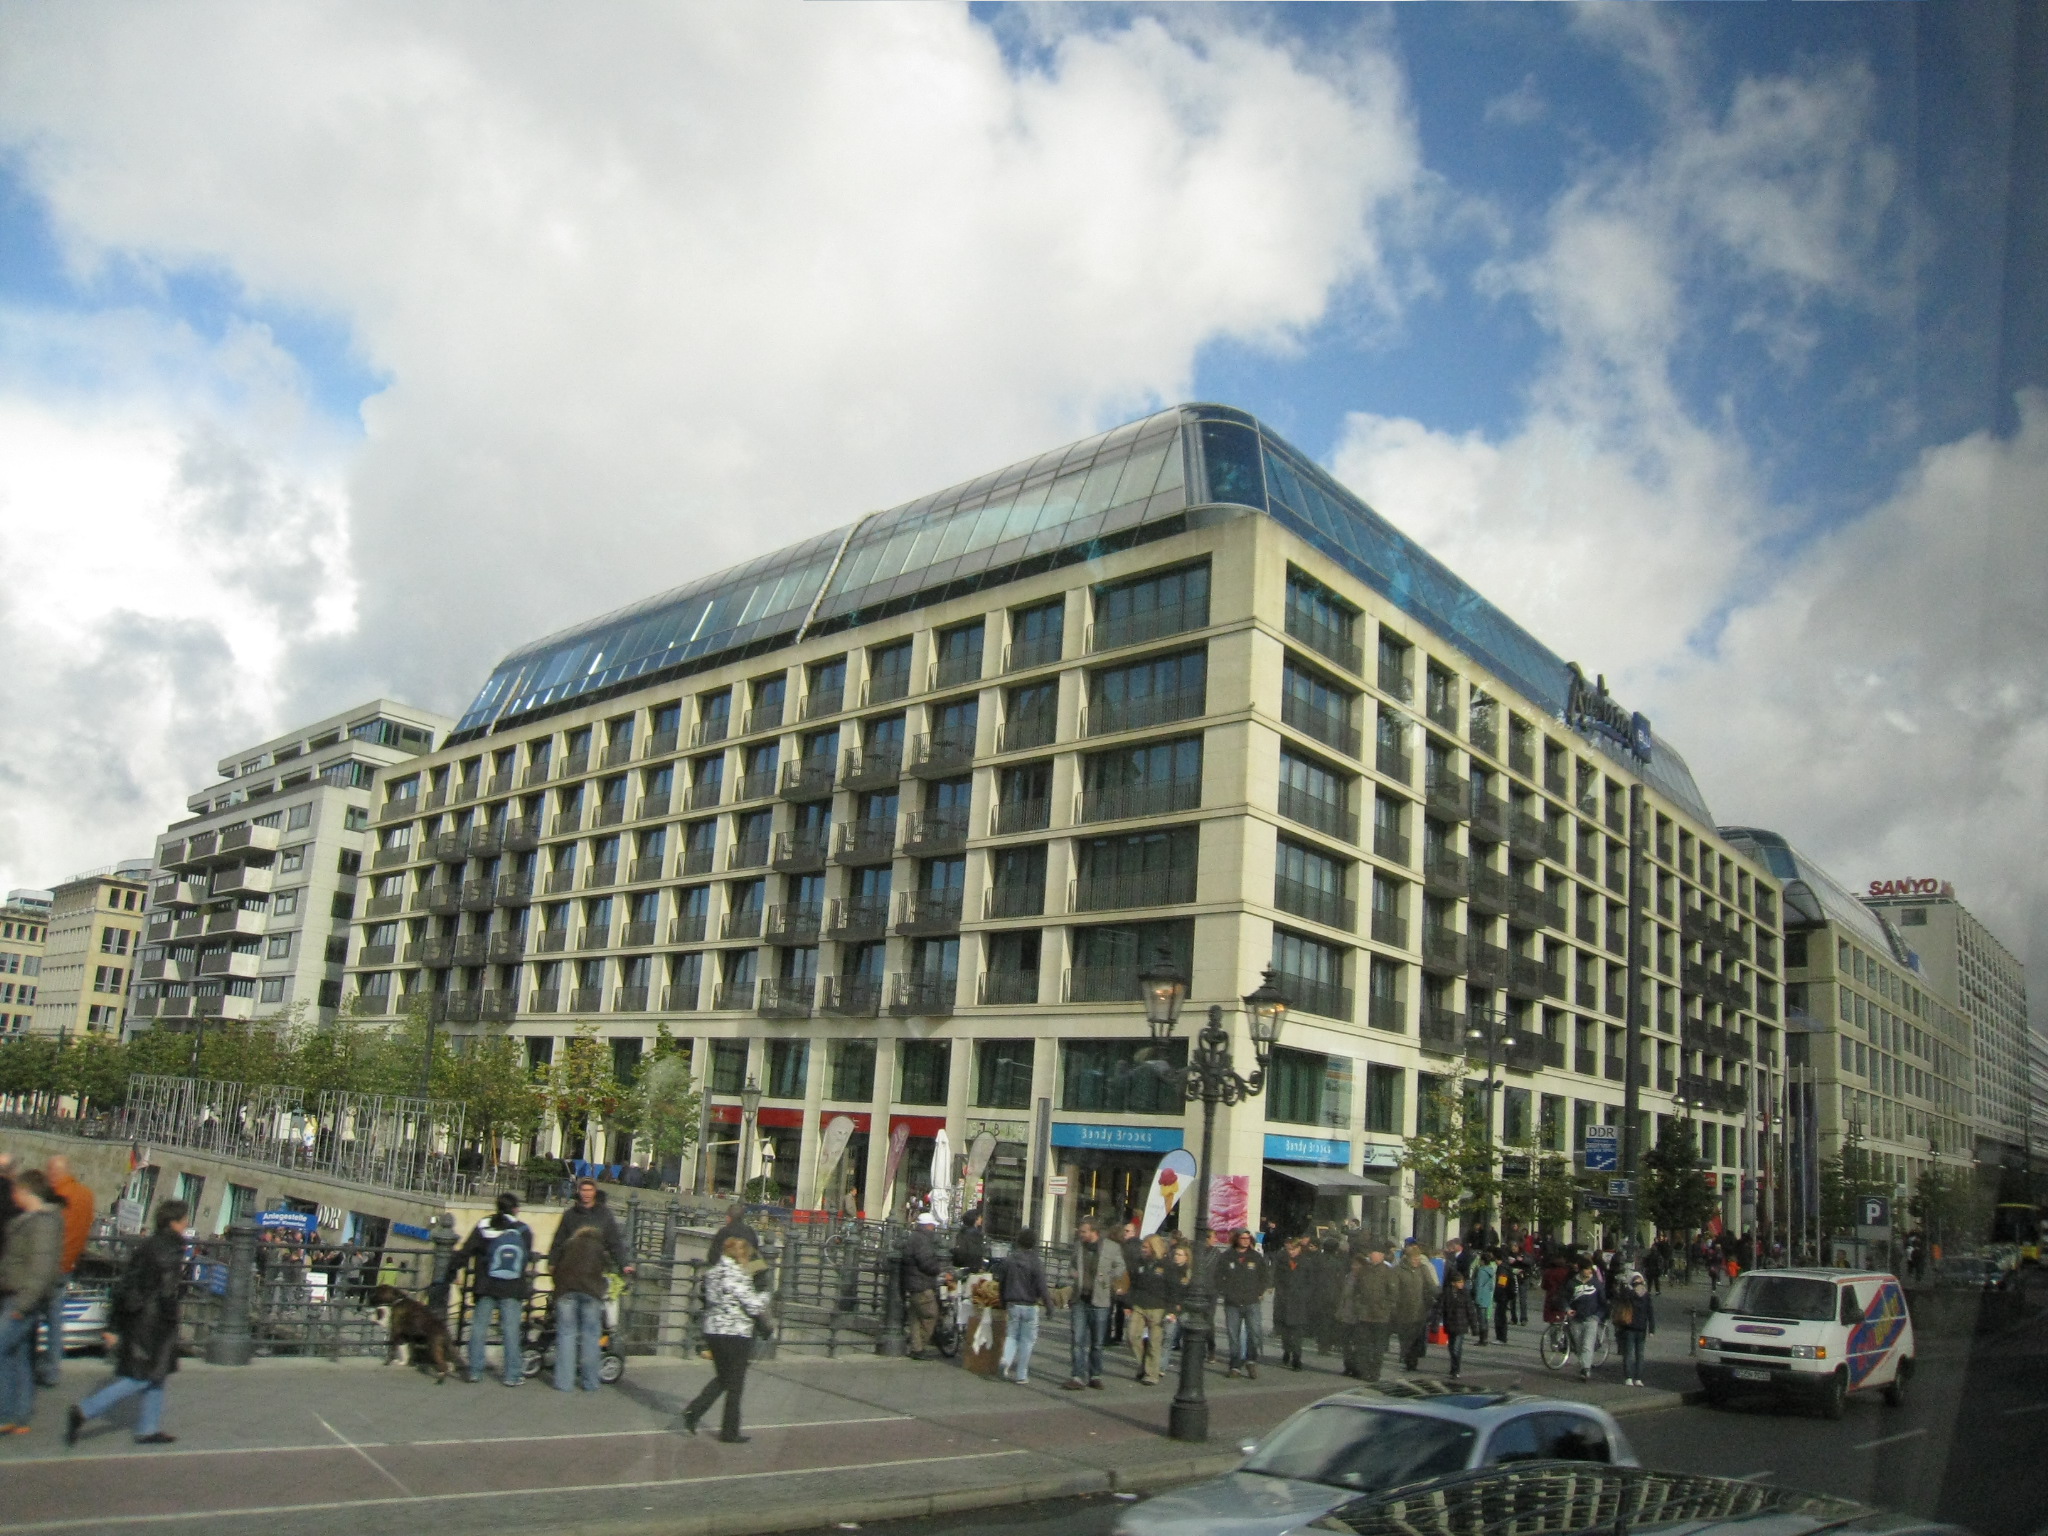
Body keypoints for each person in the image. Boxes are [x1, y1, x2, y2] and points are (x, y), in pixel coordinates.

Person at [67, 1200, 188, 1447]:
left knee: (156, 1374)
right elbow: (167, 1290)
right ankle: (84, 1411)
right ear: (174, 1222)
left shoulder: (148, 1244)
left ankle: (148, 1428)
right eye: (184, 1219)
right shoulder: (171, 1247)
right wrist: (173, 1314)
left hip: (139, 1316)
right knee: (141, 1377)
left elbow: (126, 1284)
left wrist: (115, 1324)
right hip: (154, 1322)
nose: (187, 1223)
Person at [547, 1178, 633, 1392]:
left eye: (589, 1190)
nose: (586, 1193)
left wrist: (624, 1263)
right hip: (588, 1283)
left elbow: (615, 1244)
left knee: (569, 1333)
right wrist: (624, 1265)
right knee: (587, 1334)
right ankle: (587, 1381)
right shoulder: (577, 1216)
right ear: (579, 1192)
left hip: (571, 1283)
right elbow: (558, 1243)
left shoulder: (594, 1216)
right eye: (583, 1190)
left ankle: (566, 1382)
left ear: (594, 1192)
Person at [682, 1236, 769, 1441]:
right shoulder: (738, 1274)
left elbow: (708, 1297)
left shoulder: (712, 1273)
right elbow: (753, 1305)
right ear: (741, 1255)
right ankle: (729, 1432)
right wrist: (766, 1295)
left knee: (724, 1378)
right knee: (735, 1384)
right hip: (735, 1332)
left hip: (713, 1330)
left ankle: (694, 1411)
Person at [0, 1170, 65, 1433]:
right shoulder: (33, 1220)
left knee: (4, 1350)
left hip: (22, 1298)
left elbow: (41, 1269)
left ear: (27, 1192)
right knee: (20, 1356)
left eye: (17, 1191)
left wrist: (23, 1304)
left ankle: (5, 1413)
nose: (13, 1195)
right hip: (18, 1295)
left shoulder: (43, 1223)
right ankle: (19, 1416)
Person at [457, 1193, 534, 1386]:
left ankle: (475, 1371)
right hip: (512, 1287)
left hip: (485, 1285)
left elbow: (467, 1250)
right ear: (515, 1209)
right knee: (510, 1331)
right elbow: (525, 1258)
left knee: (479, 1329)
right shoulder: (523, 1230)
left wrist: (453, 1270)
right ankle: (512, 1375)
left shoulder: (484, 1225)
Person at [34, 1156, 93, 1388]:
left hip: (49, 1265)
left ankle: (31, 1365)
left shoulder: (56, 1197)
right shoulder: (86, 1195)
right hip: (68, 1265)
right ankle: (52, 1367)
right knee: (54, 1318)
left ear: (55, 1172)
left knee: (28, 1314)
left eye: (49, 1170)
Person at [1063, 1217, 1125, 1389]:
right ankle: (1077, 1376)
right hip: (1080, 1299)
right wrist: (1072, 1272)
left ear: (1093, 1231)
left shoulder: (1111, 1247)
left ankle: (1095, 1375)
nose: (1080, 1234)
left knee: (1097, 1342)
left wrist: (1108, 1277)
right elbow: (1071, 1265)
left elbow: (1120, 1267)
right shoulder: (1079, 1246)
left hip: (1100, 1300)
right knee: (1077, 1340)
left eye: (1084, 1231)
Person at [995, 1226, 1055, 1384]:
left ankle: (1006, 1359)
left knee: (1011, 1336)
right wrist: (1049, 1305)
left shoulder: (1009, 1260)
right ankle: (1021, 1374)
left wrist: (1002, 1301)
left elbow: (1001, 1282)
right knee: (1027, 1341)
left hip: (1013, 1303)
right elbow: (1042, 1286)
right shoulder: (1036, 1262)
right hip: (1030, 1304)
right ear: (1034, 1243)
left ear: (1018, 1241)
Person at [1125, 1234, 1179, 1384]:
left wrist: (1172, 1310)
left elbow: (1173, 1288)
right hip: (1139, 1305)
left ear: (1154, 1248)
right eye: (1142, 1246)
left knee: (1154, 1342)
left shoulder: (1166, 1265)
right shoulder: (1139, 1263)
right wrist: (1128, 1304)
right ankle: (1143, 1364)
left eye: (1145, 1247)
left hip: (1158, 1307)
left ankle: (1151, 1374)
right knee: (1132, 1335)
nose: (1142, 1249)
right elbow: (1133, 1284)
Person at [1339, 1244, 1395, 1381]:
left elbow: (1393, 1293)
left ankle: (1375, 1373)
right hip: (1364, 1314)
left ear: (1382, 1256)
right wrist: (1359, 1305)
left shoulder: (1388, 1272)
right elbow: (1356, 1290)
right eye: (1372, 1253)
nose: (1373, 1256)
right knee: (1363, 1345)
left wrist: (1385, 1307)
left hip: (1381, 1316)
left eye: (1376, 1253)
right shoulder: (1364, 1271)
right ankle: (1363, 1371)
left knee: (1378, 1347)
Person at [902, 1212, 948, 1359]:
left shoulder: (914, 1237)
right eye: (933, 1226)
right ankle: (919, 1345)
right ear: (928, 1226)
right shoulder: (923, 1240)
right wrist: (938, 1270)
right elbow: (926, 1262)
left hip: (912, 1283)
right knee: (931, 1314)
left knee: (915, 1317)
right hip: (922, 1283)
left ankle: (916, 1348)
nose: (934, 1229)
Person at [1269, 1235, 1315, 1371]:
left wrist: (1304, 1295)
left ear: (1299, 1248)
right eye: (1288, 1249)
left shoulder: (1306, 1262)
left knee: (1297, 1332)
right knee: (1285, 1331)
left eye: (1293, 1249)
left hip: (1299, 1302)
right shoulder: (1282, 1260)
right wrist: (1278, 1291)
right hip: (1284, 1300)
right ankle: (1287, 1350)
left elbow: (1311, 1282)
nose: (1290, 1252)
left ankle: (1297, 1358)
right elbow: (1276, 1277)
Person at [1393, 1243, 1438, 1372]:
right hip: (1403, 1309)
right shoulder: (1398, 1270)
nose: (1416, 1261)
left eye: (1418, 1258)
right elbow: (1394, 1289)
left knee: (1416, 1337)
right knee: (1405, 1336)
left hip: (1420, 1309)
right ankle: (1407, 1358)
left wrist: (1439, 1294)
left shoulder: (1423, 1269)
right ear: (1407, 1258)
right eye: (1414, 1259)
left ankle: (1412, 1361)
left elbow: (1431, 1285)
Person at [1432, 1270, 1483, 1380]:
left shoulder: (1465, 1294)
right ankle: (1453, 1368)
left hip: (1461, 1325)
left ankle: (1456, 1370)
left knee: (1456, 1348)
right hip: (1450, 1325)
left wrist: (1475, 1328)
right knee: (1451, 1348)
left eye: (1462, 1282)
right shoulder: (1446, 1294)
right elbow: (1439, 1310)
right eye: (1459, 1282)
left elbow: (1471, 1311)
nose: (1461, 1284)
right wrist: (1435, 1325)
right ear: (1453, 1283)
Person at [1565, 1257, 1607, 1382]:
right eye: (1587, 1269)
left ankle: (1585, 1369)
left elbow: (1603, 1302)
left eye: (1590, 1269)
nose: (1589, 1271)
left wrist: (1598, 1316)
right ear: (1581, 1270)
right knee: (1578, 1345)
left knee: (1587, 1345)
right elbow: (1563, 1298)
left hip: (1591, 1318)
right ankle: (1584, 1365)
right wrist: (1567, 1309)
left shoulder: (1596, 1284)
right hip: (1576, 1319)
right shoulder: (1572, 1283)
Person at [1614, 1270, 1655, 1386]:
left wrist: (1626, 1286)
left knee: (1629, 1353)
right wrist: (1652, 1329)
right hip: (1641, 1328)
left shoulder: (1629, 1294)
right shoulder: (1646, 1295)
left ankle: (1628, 1377)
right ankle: (1638, 1378)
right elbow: (1650, 1312)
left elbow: (1621, 1298)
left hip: (1629, 1327)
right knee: (1639, 1354)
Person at [950, 1208, 989, 1272]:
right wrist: (977, 1267)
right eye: (980, 1217)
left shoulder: (962, 1231)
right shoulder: (975, 1234)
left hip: (961, 1263)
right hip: (971, 1265)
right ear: (975, 1219)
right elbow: (975, 1252)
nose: (981, 1219)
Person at [1492, 1255, 1516, 1343]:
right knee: (1501, 1316)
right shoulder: (1506, 1267)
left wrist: (1498, 1294)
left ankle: (1501, 1338)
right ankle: (1501, 1337)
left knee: (1500, 1317)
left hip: (1502, 1296)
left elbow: (1502, 1284)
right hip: (1505, 1295)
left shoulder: (1502, 1269)